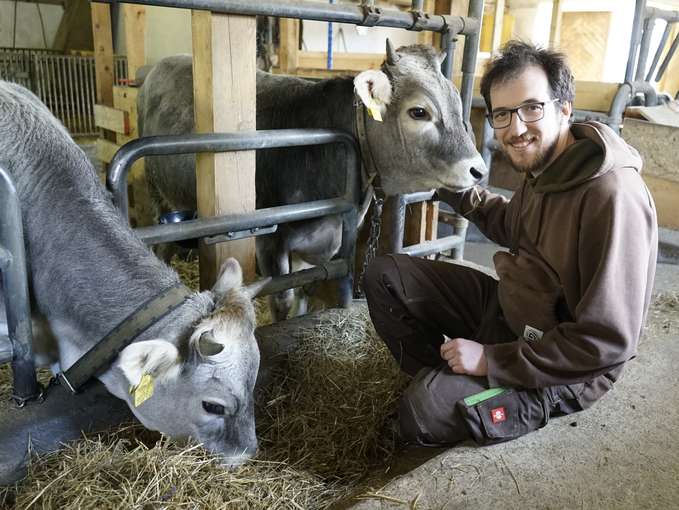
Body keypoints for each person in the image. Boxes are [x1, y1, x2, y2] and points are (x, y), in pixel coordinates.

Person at [363, 41, 658, 446]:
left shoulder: (612, 195)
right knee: (384, 275)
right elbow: (513, 223)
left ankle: (455, 394)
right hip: (513, 312)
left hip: (564, 364)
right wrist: (448, 184)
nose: (516, 129)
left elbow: (604, 343)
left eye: (531, 108)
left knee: (420, 414)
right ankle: (452, 382)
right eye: (502, 114)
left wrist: (490, 360)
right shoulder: (550, 166)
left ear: (565, 108)